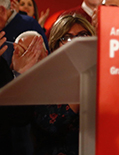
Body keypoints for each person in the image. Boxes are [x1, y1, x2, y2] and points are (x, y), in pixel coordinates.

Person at [34, 13, 96, 155]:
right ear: (56, 46)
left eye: (82, 35)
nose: (75, 42)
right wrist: (83, 83)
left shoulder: (101, 75)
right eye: (67, 38)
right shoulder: (45, 79)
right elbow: (49, 124)